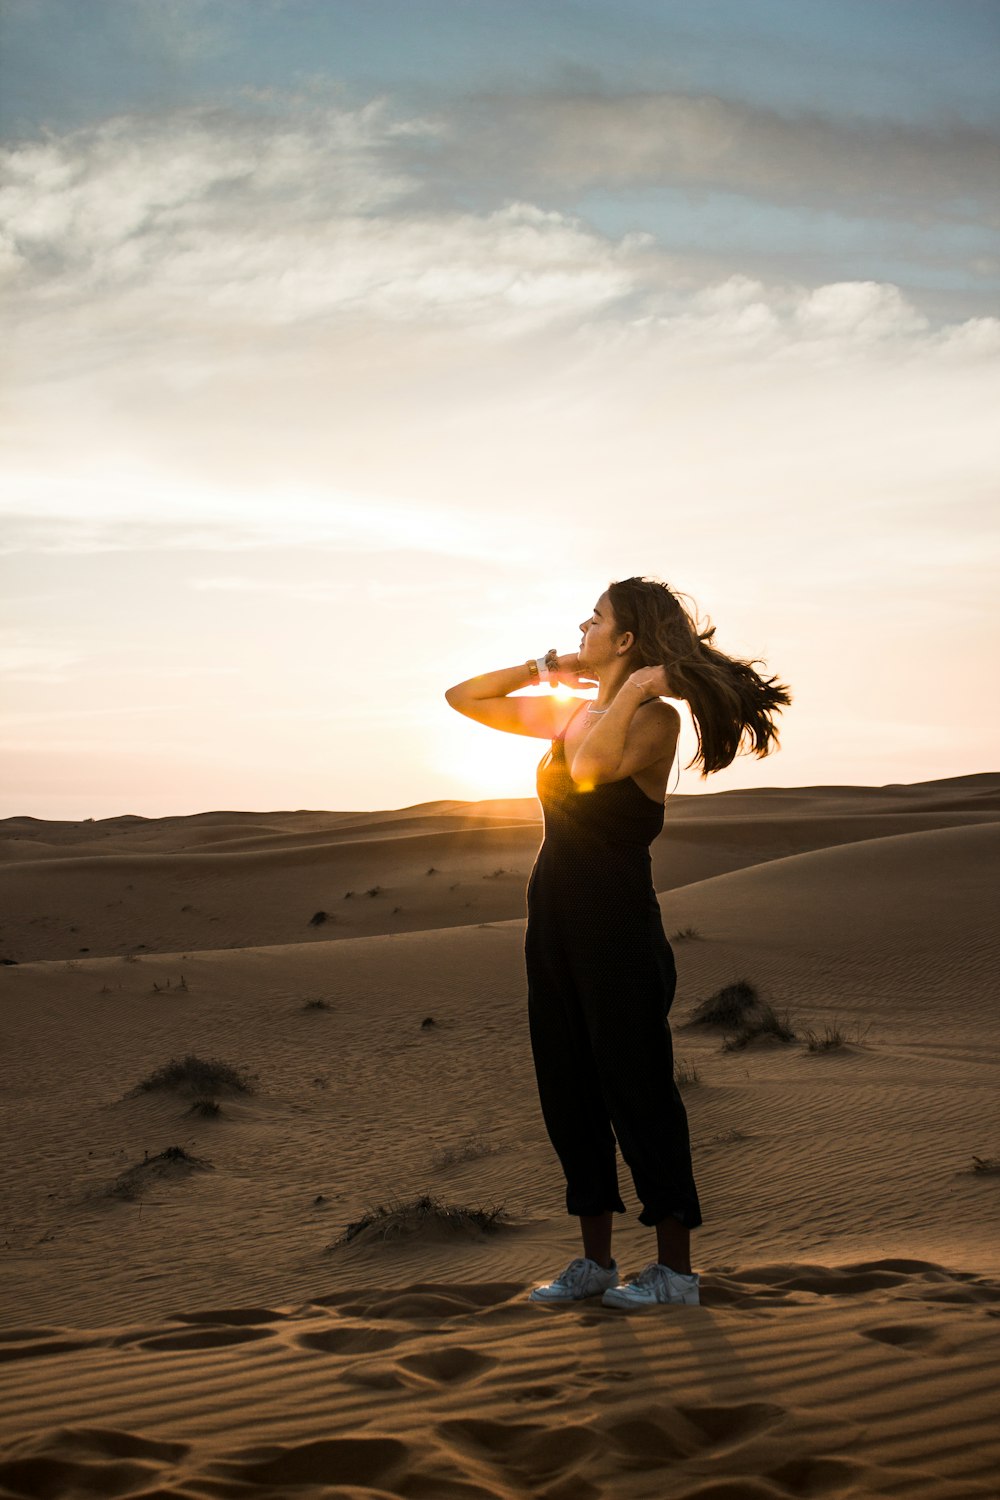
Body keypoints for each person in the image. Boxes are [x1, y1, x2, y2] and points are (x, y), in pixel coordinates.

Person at [445, 575, 791, 1310]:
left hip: (618, 930)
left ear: (626, 640)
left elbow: (594, 771)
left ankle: (673, 1273)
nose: (582, 624)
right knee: (568, 1090)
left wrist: (632, 691)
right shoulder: (578, 712)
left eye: (595, 620)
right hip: (555, 925)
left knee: (638, 1094)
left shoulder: (652, 720)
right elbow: (464, 699)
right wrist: (549, 671)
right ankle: (595, 1263)